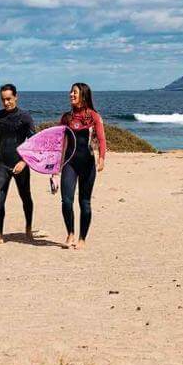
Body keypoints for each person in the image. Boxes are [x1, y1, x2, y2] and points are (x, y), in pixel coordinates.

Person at [57, 82, 106, 249]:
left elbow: (101, 139)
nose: (71, 94)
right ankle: (70, 233)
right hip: (69, 163)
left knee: (84, 202)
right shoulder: (66, 118)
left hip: (87, 164)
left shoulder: (93, 116)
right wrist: (53, 167)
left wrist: (102, 158)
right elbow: (58, 141)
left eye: (75, 92)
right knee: (66, 201)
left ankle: (82, 238)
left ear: (83, 95)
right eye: (71, 91)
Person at [0, 83, 35, 244]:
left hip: (19, 163)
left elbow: (34, 144)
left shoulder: (25, 117)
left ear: (16, 97)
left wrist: (24, 162)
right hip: (2, 163)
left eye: (9, 99)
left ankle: (28, 229)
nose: (6, 102)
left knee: (25, 196)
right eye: (3, 99)